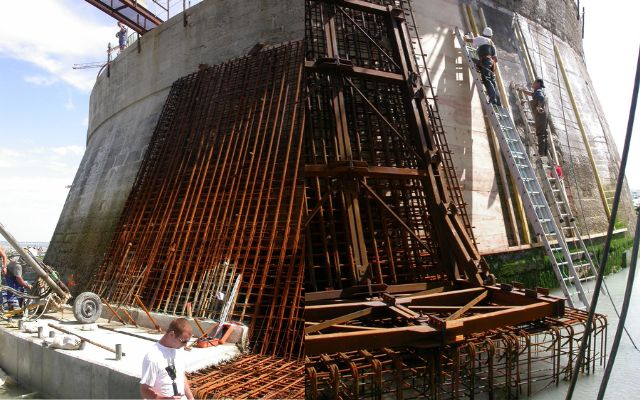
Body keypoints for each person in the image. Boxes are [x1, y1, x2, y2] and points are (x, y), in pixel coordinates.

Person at [140, 318, 195, 400]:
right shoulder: (153, 357)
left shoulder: (178, 350)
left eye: (187, 341)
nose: (185, 345)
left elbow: (181, 376)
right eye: (183, 341)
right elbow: (144, 391)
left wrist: (191, 398)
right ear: (171, 334)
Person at [465, 27, 502, 106]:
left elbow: (468, 40)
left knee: (486, 79)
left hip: (486, 61)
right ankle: (498, 102)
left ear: (483, 34)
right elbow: (495, 59)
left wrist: (465, 37)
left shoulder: (481, 39)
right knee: (493, 81)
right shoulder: (492, 44)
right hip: (493, 64)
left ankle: (493, 101)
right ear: (491, 36)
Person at [522, 78, 549, 157]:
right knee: (544, 134)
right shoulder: (540, 91)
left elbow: (540, 98)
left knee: (540, 133)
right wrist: (524, 91)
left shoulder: (538, 92)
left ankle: (540, 153)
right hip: (545, 116)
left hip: (540, 115)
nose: (532, 84)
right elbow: (533, 94)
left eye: (534, 83)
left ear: (538, 83)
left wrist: (539, 106)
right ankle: (544, 153)